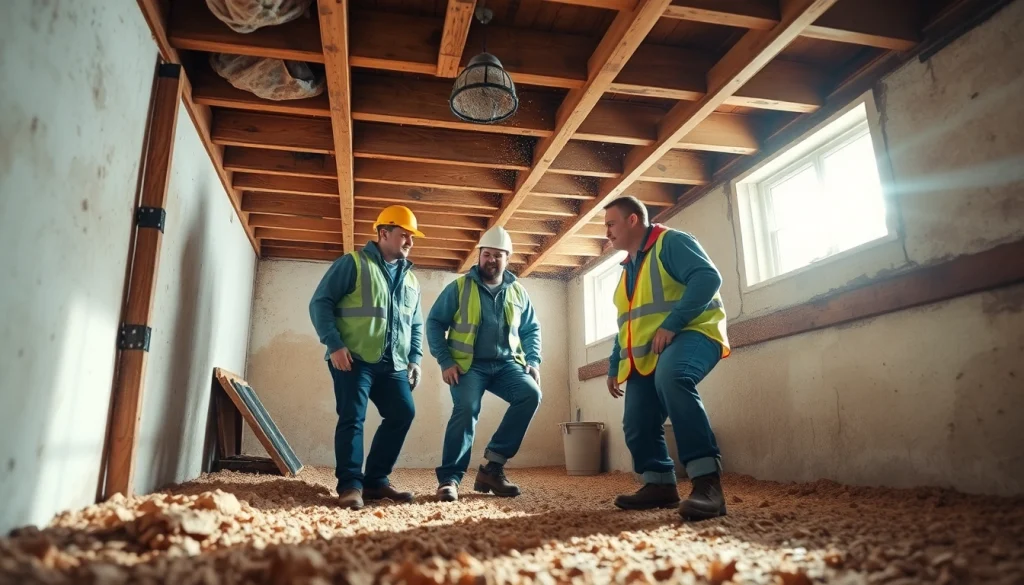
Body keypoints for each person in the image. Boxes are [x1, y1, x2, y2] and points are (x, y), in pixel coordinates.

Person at [603, 195, 731, 521]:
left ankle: (707, 485)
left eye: (610, 224)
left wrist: (672, 325)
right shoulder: (627, 270)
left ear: (633, 220)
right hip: (651, 353)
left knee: (672, 377)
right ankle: (659, 483)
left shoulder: (670, 242)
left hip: (695, 333)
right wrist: (614, 364)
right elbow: (626, 325)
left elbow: (707, 278)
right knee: (636, 419)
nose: (607, 232)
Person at [308, 205, 426, 510]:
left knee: (403, 413)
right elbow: (320, 303)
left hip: (394, 363)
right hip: (353, 359)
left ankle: (375, 481)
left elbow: (415, 323)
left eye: (412, 237)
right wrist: (334, 345)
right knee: (353, 417)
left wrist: (415, 358)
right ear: (383, 233)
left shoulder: (411, 279)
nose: (410, 242)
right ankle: (349, 485)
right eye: (404, 235)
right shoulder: (353, 264)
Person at [426, 226, 542, 502]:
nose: (491, 260)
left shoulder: (517, 291)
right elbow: (434, 323)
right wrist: (445, 360)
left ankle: (493, 466)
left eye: (497, 255)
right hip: (468, 365)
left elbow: (531, 330)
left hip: (507, 364)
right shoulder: (459, 287)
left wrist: (534, 360)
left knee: (531, 394)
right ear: (479, 256)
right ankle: (449, 480)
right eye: (486, 254)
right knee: (466, 409)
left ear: (507, 258)